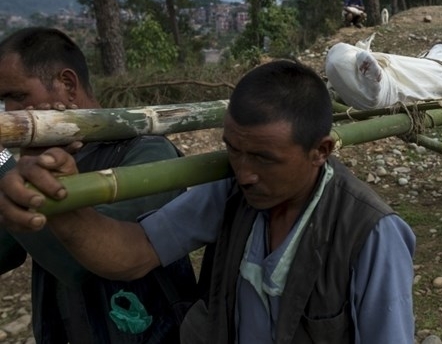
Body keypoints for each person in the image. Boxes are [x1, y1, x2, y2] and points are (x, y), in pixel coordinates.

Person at [0, 60, 417, 343]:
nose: (245, 171)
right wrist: (63, 206)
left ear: (321, 150)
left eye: (263, 158)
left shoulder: (371, 233)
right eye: (233, 150)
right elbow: (132, 253)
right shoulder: (231, 192)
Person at [0, 27, 197, 343]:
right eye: (3, 100)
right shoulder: (36, 159)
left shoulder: (148, 152)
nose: (10, 113)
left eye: (19, 97)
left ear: (67, 85)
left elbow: (81, 263)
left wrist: (2, 162)